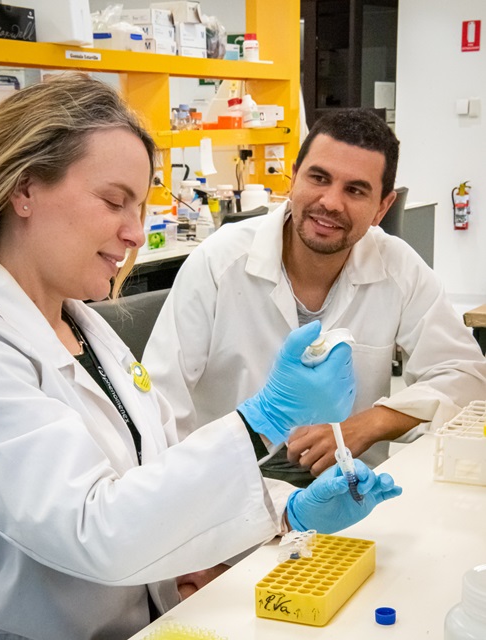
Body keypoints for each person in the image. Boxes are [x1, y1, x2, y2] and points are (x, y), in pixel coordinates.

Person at [0, 74, 402, 640]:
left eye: (140, 206)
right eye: (113, 200)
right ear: (24, 189)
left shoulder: (84, 325)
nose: (134, 233)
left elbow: (157, 477)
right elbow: (95, 529)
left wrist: (283, 507)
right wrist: (263, 420)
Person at [145, 109, 486, 487]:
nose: (331, 202)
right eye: (318, 178)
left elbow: (466, 376)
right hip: (229, 489)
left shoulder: (397, 267)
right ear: (293, 179)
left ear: (382, 208)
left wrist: (368, 425)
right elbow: (159, 403)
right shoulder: (219, 263)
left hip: (345, 488)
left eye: (355, 190)